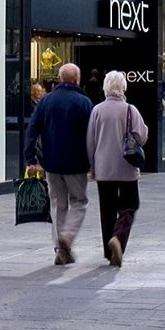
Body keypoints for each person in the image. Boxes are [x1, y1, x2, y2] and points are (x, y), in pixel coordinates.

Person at [22, 63, 93, 264]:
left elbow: (32, 130)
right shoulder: (84, 102)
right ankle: (67, 237)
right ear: (76, 79)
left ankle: (59, 248)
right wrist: (94, 162)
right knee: (79, 201)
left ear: (60, 79)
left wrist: (31, 159)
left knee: (57, 204)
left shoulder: (46, 101)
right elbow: (92, 135)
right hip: (77, 163)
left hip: (52, 163)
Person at [87, 70, 148, 265]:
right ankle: (119, 239)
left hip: (104, 168)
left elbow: (91, 141)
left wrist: (92, 166)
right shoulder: (130, 109)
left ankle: (109, 251)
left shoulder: (97, 110)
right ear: (123, 87)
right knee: (130, 205)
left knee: (107, 209)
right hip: (127, 168)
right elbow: (142, 136)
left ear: (105, 87)